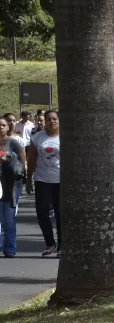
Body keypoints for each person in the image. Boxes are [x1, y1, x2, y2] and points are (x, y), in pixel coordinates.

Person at [27, 110, 61, 257]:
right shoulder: (37, 138)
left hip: (60, 181)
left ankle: (62, 245)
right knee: (42, 213)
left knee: (60, 214)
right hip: (42, 180)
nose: (51, 121)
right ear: (44, 122)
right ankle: (50, 243)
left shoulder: (65, 137)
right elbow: (31, 159)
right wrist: (29, 178)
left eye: (54, 119)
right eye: (48, 119)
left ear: (59, 121)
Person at [1, 116, 26, 257]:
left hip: (11, 183)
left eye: (3, 125)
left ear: (7, 127)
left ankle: (9, 249)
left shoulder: (12, 142)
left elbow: (22, 161)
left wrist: (8, 159)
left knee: (9, 217)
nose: (0, 127)